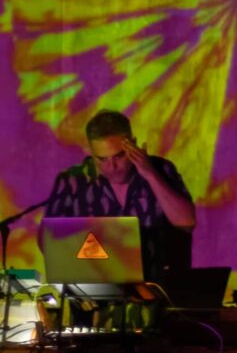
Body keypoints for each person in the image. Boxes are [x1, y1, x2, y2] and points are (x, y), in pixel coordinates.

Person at [43, 110, 197, 277]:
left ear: (133, 144)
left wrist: (150, 174)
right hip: (97, 286)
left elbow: (186, 222)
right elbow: (49, 241)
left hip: (158, 286)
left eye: (119, 156)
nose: (112, 166)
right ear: (91, 153)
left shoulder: (161, 169)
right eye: (102, 159)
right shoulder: (73, 181)